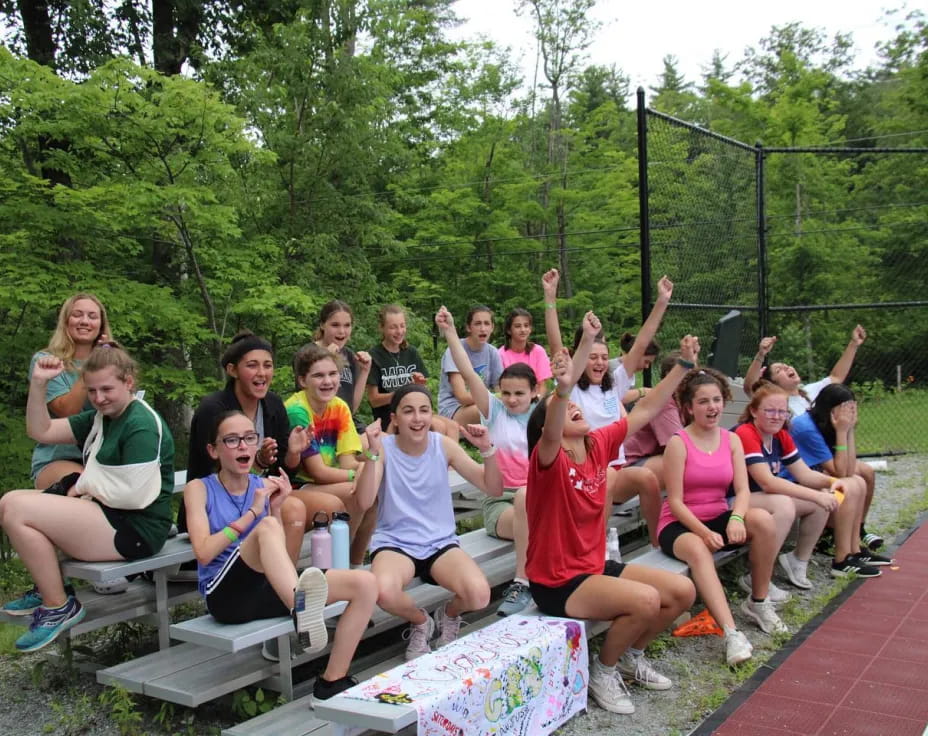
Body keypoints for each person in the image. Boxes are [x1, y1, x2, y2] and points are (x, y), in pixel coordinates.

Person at [525, 311, 697, 715]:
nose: (575, 411)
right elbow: (553, 421)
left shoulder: (598, 445)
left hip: (594, 566)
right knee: (645, 600)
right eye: (566, 410)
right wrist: (565, 385)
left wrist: (684, 366)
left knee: (681, 592)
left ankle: (632, 657)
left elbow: (646, 409)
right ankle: (603, 671)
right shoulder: (547, 460)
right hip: (558, 581)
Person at [184, 410, 377, 700]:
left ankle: (331, 681)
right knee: (266, 526)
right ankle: (300, 607)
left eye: (249, 438)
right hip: (225, 594)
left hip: (270, 588)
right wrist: (254, 514)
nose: (242, 446)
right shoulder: (198, 489)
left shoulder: (263, 487)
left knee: (366, 585)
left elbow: (277, 558)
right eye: (232, 440)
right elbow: (202, 552)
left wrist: (276, 507)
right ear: (214, 450)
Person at [1, 345, 175, 651]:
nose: (98, 398)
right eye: (92, 391)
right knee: (11, 503)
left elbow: (135, 495)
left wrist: (83, 486)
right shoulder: (101, 417)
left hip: (136, 530)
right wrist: (39, 385)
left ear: (129, 382)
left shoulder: (141, 424)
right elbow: (39, 430)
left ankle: (58, 605)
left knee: (17, 507)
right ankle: (52, 590)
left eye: (107, 389)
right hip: (110, 516)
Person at [354, 384, 504, 661]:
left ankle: (448, 615)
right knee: (383, 591)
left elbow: (492, 488)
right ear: (395, 418)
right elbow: (363, 502)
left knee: (479, 595)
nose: (417, 418)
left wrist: (487, 450)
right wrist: (372, 454)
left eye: (424, 410)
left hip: (440, 543)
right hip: (395, 544)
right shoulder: (383, 448)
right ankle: (421, 621)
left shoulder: (442, 446)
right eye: (408, 411)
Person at [659, 368, 786, 668]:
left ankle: (759, 601)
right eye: (703, 401)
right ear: (689, 407)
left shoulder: (731, 440)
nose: (712, 407)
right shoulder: (678, 443)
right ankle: (731, 634)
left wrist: (738, 519)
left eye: (717, 400)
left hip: (718, 515)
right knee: (698, 549)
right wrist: (703, 532)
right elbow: (675, 502)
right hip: (681, 524)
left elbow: (742, 491)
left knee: (764, 521)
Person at [543, 269, 673, 548]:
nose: (600, 362)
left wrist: (661, 301)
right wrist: (550, 297)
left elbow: (641, 344)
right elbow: (556, 345)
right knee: (609, 477)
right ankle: (597, 548)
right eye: (592, 357)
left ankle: (656, 544)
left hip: (614, 467)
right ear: (580, 357)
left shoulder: (613, 384)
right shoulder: (571, 386)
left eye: (604, 357)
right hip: (581, 473)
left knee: (647, 478)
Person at [435, 306, 536, 617]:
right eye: (506, 392)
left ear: (534, 394)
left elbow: (568, 386)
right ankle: (524, 582)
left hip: (538, 501)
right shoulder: (494, 411)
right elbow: (467, 372)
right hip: (502, 505)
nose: (512, 399)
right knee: (522, 497)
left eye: (519, 393)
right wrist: (450, 331)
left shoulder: (541, 415)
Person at [744, 327, 880, 549]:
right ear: (770, 383)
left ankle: (858, 529)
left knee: (865, 473)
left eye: (787, 365)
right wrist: (761, 354)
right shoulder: (777, 403)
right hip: (805, 463)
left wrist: (853, 344)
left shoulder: (809, 392)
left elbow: (836, 377)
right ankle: (835, 534)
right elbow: (750, 386)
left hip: (816, 457)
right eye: (779, 369)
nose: (787, 367)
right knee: (851, 477)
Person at [181, 333, 308, 563]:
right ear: (233, 370)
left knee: (331, 506)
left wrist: (293, 453)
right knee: (294, 509)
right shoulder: (213, 409)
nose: (262, 373)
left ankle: (286, 583)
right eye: (252, 365)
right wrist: (258, 463)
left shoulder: (273, 404)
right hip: (218, 505)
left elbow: (284, 472)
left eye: (267, 366)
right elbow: (215, 471)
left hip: (262, 494)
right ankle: (281, 585)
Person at [734, 382, 879, 584]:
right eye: (769, 410)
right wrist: (819, 492)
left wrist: (831, 482)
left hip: (764, 495)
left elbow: (804, 474)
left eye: (781, 411)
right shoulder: (746, 433)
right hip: (735, 499)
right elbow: (768, 482)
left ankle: (798, 561)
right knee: (790, 504)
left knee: (823, 500)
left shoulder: (780, 435)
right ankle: (757, 577)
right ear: (753, 411)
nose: (776, 416)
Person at [787, 383, 892, 573]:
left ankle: (854, 550)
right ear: (830, 408)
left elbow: (850, 469)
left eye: (852, 409)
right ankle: (841, 560)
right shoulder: (806, 427)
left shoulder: (829, 424)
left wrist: (849, 429)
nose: (849, 414)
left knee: (858, 481)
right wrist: (843, 431)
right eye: (845, 409)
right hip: (793, 482)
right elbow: (841, 472)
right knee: (848, 486)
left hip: (813, 478)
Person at [286, 343, 374, 566]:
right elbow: (317, 472)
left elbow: (346, 462)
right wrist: (358, 477)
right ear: (303, 380)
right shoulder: (297, 410)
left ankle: (354, 564)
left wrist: (364, 469)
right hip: (298, 485)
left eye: (333, 374)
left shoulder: (339, 407)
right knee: (357, 491)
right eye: (318, 376)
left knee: (373, 492)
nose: (328, 381)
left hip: (326, 481)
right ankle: (339, 565)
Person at [29, 293, 113, 490]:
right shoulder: (46, 361)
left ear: (101, 325)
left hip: (104, 457)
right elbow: (67, 411)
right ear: (66, 320)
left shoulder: (112, 361)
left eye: (92, 316)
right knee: (89, 486)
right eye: (77, 315)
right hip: (59, 458)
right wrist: (92, 365)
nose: (84, 321)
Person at [366, 304, 458, 440]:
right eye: (393, 327)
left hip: (416, 411)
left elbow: (423, 391)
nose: (399, 331)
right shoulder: (374, 356)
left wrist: (419, 386)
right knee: (438, 426)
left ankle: (449, 461)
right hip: (391, 417)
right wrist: (403, 392)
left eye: (402, 326)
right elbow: (374, 400)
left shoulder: (411, 352)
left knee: (453, 427)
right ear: (382, 328)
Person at [623, 351, 686, 488]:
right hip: (628, 464)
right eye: (685, 374)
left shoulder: (684, 402)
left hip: (646, 459)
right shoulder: (664, 401)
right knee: (682, 464)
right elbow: (678, 447)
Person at [437, 305, 503, 426]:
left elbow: (500, 387)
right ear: (468, 327)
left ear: (492, 327)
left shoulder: (493, 352)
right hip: (453, 409)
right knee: (491, 409)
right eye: (478, 324)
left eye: (487, 324)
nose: (483, 329)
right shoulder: (454, 350)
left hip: (483, 403)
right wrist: (495, 398)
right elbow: (462, 397)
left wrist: (503, 398)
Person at [314, 300, 372, 431]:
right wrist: (325, 360)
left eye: (347, 325)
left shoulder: (349, 355)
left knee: (383, 442)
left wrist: (364, 371)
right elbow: (310, 401)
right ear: (322, 325)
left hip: (347, 422)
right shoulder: (308, 353)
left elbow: (352, 408)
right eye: (335, 325)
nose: (342, 331)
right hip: (321, 426)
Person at [497, 308, 552, 388]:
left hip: (536, 398)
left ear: (530, 329)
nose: (523, 330)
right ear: (509, 330)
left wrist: (536, 399)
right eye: (517, 326)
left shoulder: (538, 351)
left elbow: (543, 384)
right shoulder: (500, 354)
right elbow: (500, 386)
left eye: (526, 326)